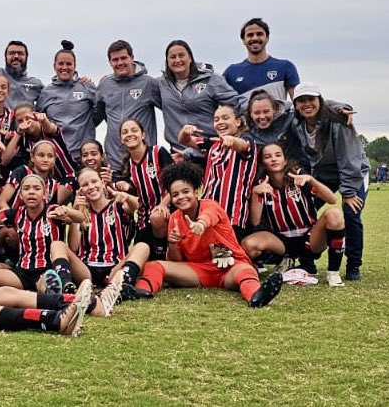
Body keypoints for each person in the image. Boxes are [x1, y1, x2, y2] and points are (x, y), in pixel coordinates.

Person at [132, 162, 283, 307]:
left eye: (186, 192)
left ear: (195, 192)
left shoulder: (210, 205)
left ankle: (256, 296)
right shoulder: (175, 218)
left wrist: (200, 224)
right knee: (153, 266)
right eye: (175, 194)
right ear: (171, 198)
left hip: (229, 267)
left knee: (245, 271)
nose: (181, 197)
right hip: (200, 270)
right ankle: (139, 291)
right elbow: (176, 260)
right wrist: (173, 243)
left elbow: (209, 216)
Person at [291, 82, 370, 281]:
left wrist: (349, 192)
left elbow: (348, 157)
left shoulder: (338, 122)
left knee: (351, 213)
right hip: (324, 174)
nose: (307, 104)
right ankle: (307, 258)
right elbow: (276, 107)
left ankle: (353, 264)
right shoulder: (296, 122)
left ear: (320, 101)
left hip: (354, 172)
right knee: (302, 208)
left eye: (311, 99)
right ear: (296, 104)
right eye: (301, 100)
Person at [241, 143, 348, 286]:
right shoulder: (261, 184)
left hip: (310, 238)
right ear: (262, 163)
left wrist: (311, 180)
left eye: (278, 155)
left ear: (285, 160)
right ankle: (283, 260)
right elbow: (255, 221)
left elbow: (332, 199)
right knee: (248, 244)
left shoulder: (299, 178)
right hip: (281, 241)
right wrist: (255, 193)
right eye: (268, 156)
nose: (273, 159)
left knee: (334, 214)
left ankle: (333, 273)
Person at [0, 174, 82, 294]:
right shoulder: (16, 213)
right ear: (21, 195)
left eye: (36, 188)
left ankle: (64, 286)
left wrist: (66, 211)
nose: (31, 192)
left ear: (45, 194)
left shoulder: (53, 211)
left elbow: (80, 218)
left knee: (57, 246)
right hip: (22, 273)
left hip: (47, 270)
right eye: (26, 189)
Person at [178, 105, 259, 241]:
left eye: (225, 118)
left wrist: (232, 141)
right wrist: (185, 132)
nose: (220, 122)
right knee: (204, 255)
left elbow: (243, 146)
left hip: (232, 214)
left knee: (224, 257)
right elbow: (184, 140)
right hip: (206, 211)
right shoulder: (213, 144)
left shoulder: (247, 140)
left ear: (238, 122)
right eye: (216, 119)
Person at [66, 167, 150, 293]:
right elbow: (73, 246)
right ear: (80, 191)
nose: (91, 186)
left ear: (102, 183)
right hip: (87, 271)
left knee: (143, 247)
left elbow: (137, 205)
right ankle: (66, 286)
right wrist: (75, 210)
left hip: (114, 268)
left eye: (94, 181)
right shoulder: (82, 212)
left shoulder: (116, 205)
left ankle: (124, 284)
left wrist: (126, 197)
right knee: (59, 245)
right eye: (85, 185)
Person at [157, 40, 241, 153]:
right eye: (173, 57)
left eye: (181, 55)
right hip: (177, 152)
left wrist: (239, 134)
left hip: (208, 149)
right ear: (167, 61)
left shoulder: (210, 79)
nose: (177, 60)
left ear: (190, 58)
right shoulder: (160, 85)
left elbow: (237, 104)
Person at [93, 40, 161, 170]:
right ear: (110, 62)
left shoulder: (148, 84)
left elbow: (171, 109)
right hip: (114, 160)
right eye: (115, 60)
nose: (120, 63)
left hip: (144, 159)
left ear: (132, 58)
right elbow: (94, 118)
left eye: (124, 58)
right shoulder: (104, 85)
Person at [116, 119, 173, 261]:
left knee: (157, 216)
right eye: (125, 132)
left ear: (143, 135)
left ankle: (162, 258)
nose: (129, 134)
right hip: (144, 219)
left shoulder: (158, 152)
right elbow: (134, 201)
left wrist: (163, 205)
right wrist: (126, 189)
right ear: (121, 140)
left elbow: (175, 183)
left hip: (168, 211)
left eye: (134, 130)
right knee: (138, 258)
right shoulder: (127, 166)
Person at [36, 40, 97, 160]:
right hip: (56, 158)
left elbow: (101, 110)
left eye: (69, 64)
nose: (64, 67)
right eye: (61, 64)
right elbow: (39, 121)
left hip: (83, 157)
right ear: (54, 66)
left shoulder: (87, 87)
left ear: (75, 66)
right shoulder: (46, 92)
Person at [223, 18, 300, 103]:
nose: (255, 38)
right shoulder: (232, 72)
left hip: (279, 116)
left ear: (267, 38)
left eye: (259, 34)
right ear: (243, 40)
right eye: (250, 35)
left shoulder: (285, 67)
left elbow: (298, 102)